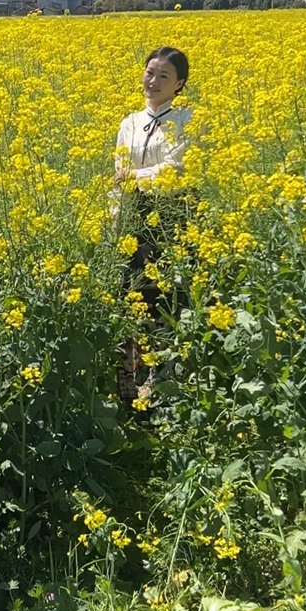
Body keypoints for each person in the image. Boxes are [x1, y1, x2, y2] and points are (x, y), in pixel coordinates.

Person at [113, 46, 194, 401]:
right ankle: (128, 380)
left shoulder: (187, 120)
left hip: (171, 218)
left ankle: (161, 380)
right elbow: (116, 175)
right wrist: (116, 215)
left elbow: (178, 172)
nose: (154, 81)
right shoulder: (129, 122)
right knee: (127, 297)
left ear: (179, 84)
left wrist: (135, 175)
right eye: (150, 72)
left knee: (162, 300)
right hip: (133, 215)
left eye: (164, 76)